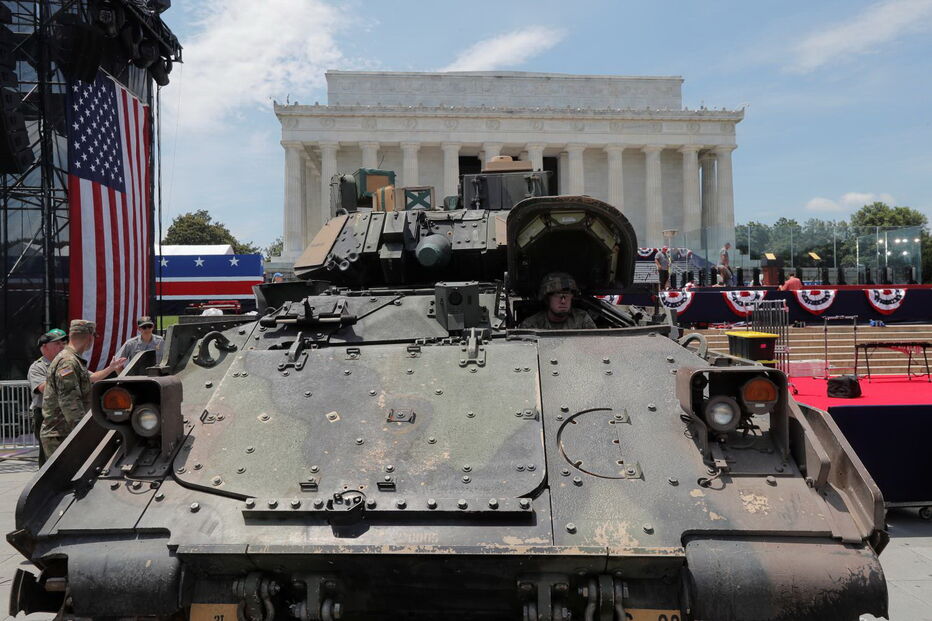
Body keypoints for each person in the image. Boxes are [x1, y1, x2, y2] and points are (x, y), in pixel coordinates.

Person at [41, 320, 126, 459]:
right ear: (90, 338)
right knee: (66, 479)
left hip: (66, 433)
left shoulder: (71, 360)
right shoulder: (68, 361)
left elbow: (91, 378)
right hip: (62, 435)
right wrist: (84, 433)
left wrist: (111, 368)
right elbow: (70, 403)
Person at [26, 328, 67, 465]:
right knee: (47, 452)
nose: (61, 346)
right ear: (44, 347)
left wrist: (111, 368)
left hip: (64, 412)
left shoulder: (67, 363)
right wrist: (63, 378)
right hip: (45, 414)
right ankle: (45, 484)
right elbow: (43, 388)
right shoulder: (37, 367)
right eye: (57, 344)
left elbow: (90, 377)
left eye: (63, 343)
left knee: (66, 450)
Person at [519, 272, 597, 330]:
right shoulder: (531, 325)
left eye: (566, 296)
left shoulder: (581, 319)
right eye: (558, 296)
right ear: (547, 299)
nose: (563, 301)